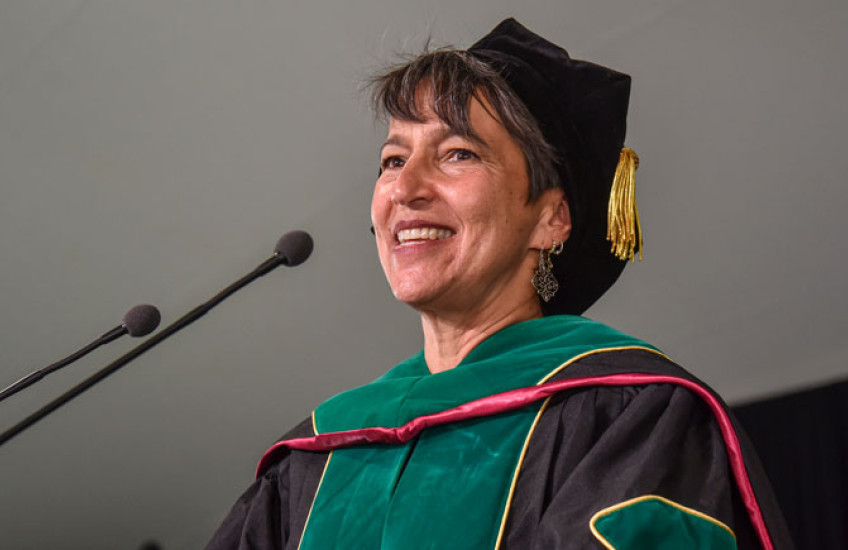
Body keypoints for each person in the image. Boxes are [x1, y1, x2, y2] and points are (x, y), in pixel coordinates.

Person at [207, 19, 794, 550]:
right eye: (391, 160)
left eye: (457, 154)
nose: (406, 188)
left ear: (550, 218)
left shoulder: (627, 419)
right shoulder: (317, 459)